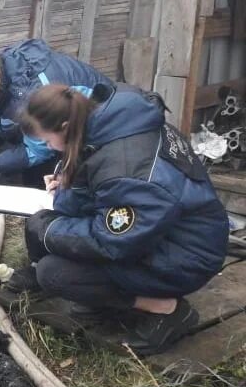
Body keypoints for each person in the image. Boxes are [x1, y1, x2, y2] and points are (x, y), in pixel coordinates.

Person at [18, 83, 228, 354]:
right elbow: (98, 186)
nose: (48, 147)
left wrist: (49, 230)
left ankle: (168, 309)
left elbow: (111, 241)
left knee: (55, 273)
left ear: (66, 125)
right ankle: (105, 293)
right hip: (162, 232)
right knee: (45, 226)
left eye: (47, 141)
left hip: (187, 255)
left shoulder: (127, 166)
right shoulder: (111, 123)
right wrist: (65, 185)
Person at [0, 39, 112, 186]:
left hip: (96, 134)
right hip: (56, 133)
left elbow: (41, 149)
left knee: (52, 180)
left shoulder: (35, 93)